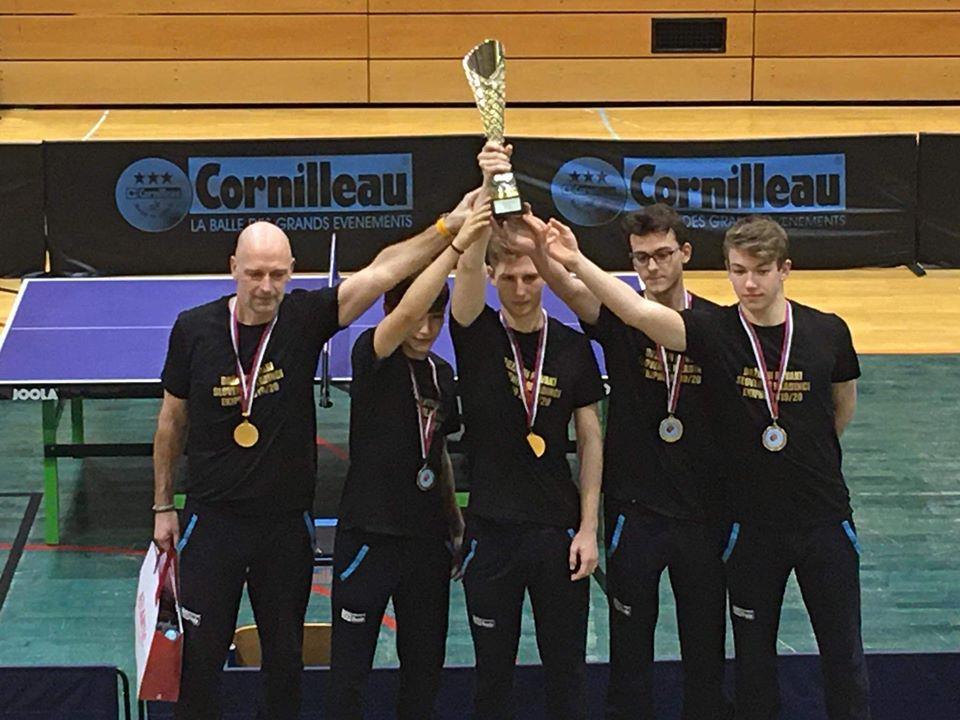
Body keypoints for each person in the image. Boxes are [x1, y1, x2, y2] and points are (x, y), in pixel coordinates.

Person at [151, 192, 478, 720]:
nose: (266, 287)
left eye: (277, 274)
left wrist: (449, 227)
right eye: (255, 273)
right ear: (232, 267)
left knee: (285, 663)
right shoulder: (193, 328)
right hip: (212, 523)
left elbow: (382, 272)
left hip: (284, 527)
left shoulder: (303, 318)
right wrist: (163, 505)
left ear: (292, 271)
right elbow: (171, 422)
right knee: (201, 661)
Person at [541, 214, 869, 720]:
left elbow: (840, 405)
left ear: (785, 269)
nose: (750, 283)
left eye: (761, 270)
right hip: (719, 521)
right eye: (739, 271)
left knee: (839, 655)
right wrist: (569, 258)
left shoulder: (819, 330)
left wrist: (809, 452)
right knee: (746, 662)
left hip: (792, 517)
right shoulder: (715, 331)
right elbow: (633, 310)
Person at [448, 145, 605, 720]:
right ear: (493, 277)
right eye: (509, 277)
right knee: (492, 676)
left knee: (567, 673)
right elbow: (465, 269)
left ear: (545, 277)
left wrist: (588, 528)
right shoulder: (475, 333)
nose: (520, 288)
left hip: (556, 532)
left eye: (531, 276)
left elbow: (591, 440)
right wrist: (488, 184)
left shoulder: (572, 347)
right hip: (490, 533)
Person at [327, 201, 493, 719]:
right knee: (349, 674)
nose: (425, 329)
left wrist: (454, 522)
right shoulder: (372, 354)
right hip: (369, 537)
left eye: (436, 318)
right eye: (419, 317)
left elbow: (436, 448)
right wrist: (455, 247)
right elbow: (402, 317)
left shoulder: (443, 374)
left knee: (424, 670)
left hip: (425, 543)